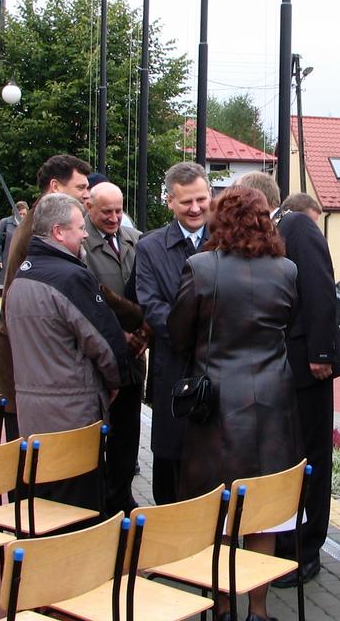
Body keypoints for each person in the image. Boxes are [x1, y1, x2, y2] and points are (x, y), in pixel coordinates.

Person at [169, 187, 300, 621]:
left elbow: (179, 332)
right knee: (264, 512)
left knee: (218, 509)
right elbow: (289, 324)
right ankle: (258, 610)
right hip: (273, 401)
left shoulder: (201, 267)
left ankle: (222, 607)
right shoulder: (287, 270)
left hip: (217, 405)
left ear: (219, 221)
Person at [236, 171, 340, 587]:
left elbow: (320, 287)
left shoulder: (297, 225)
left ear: (258, 200)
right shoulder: (269, 231)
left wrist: (321, 352)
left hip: (308, 365)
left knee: (311, 457)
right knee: (287, 458)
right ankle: (284, 543)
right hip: (283, 366)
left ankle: (306, 551)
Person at [5, 193, 127, 510]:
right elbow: (106, 343)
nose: (85, 234)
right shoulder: (71, 278)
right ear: (58, 232)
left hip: (32, 417)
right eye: (79, 227)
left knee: (41, 506)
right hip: (73, 417)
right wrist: (116, 382)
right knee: (77, 509)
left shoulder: (21, 276)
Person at [0, 154, 93, 441]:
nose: (87, 194)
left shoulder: (38, 220)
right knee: (31, 457)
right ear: (55, 186)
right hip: (29, 369)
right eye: (81, 187)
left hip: (26, 364)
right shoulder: (41, 229)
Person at [135, 161, 211, 505]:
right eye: (186, 202)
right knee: (170, 464)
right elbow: (151, 305)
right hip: (174, 368)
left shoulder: (227, 240)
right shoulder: (150, 247)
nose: (195, 208)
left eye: (201, 199)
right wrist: (196, 335)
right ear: (169, 202)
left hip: (218, 368)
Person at [84, 180, 149, 515]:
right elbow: (84, 301)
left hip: (134, 356)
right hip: (98, 355)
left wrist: (145, 333)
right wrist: (119, 335)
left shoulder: (136, 240)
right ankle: (97, 498)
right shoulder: (80, 245)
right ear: (89, 208)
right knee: (96, 432)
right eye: (106, 212)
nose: (113, 218)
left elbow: (150, 291)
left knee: (127, 431)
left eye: (118, 211)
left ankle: (121, 496)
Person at [0, 200, 28, 293]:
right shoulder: (5, 222)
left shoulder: (28, 225)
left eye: (24, 214)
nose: (22, 216)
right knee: (8, 286)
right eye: (20, 214)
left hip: (23, 260)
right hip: (8, 259)